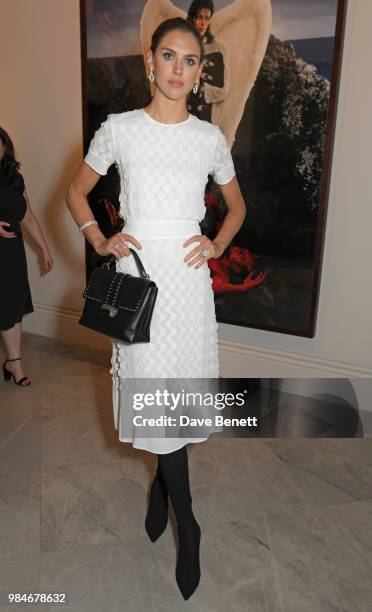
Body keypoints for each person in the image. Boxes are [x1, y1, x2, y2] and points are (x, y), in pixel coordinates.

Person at [66, 17, 246, 600]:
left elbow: (237, 207)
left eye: (189, 61)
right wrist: (99, 239)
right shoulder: (119, 130)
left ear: (200, 73)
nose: (177, 69)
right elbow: (75, 191)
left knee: (178, 399)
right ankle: (187, 522)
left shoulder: (208, 139)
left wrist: (216, 243)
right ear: (150, 61)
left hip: (189, 285)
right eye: (167, 56)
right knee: (155, 395)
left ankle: (164, 495)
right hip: (139, 280)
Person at [0, 128, 53, 386]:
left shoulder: (14, 179)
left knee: (11, 307)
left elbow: (28, 216)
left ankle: (14, 363)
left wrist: (43, 248)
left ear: (4, 148)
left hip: (11, 254)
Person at [186, 0, 229, 122]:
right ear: (192, 17)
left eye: (207, 18)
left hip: (204, 118)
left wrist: (201, 88)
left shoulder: (218, 49)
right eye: (199, 17)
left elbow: (223, 90)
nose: (203, 23)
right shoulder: (180, 44)